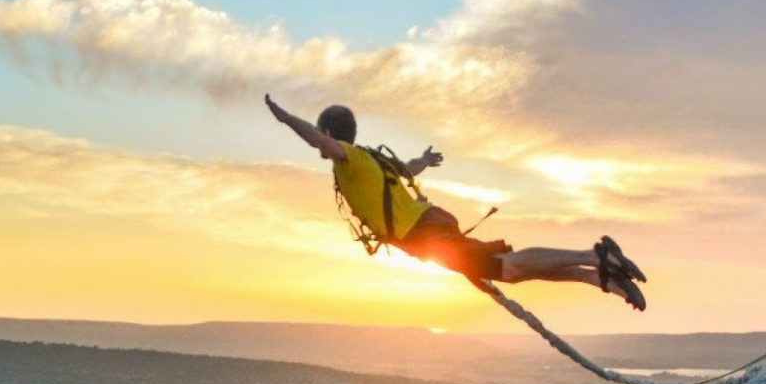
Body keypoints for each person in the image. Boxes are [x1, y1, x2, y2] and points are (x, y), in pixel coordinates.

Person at [264, 96, 647, 310]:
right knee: (508, 271)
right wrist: (425, 161)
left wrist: (285, 119)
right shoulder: (369, 160)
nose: (322, 143)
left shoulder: (349, 160)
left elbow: (319, 142)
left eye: (323, 134)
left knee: (508, 267)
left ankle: (595, 256)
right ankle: (595, 275)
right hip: (429, 228)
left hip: (425, 233)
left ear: (329, 132)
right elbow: (407, 170)